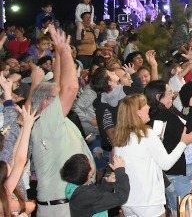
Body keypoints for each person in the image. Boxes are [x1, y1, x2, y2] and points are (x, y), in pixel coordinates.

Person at [29, 26, 95, 217]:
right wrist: (66, 52)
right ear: (45, 102)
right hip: (60, 208)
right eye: (54, 97)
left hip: (68, 204)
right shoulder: (45, 122)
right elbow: (69, 88)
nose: (60, 99)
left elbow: (58, 85)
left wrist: (58, 52)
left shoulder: (51, 120)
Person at [112, 93, 192, 217]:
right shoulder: (146, 134)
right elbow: (166, 164)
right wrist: (183, 143)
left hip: (127, 201)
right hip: (148, 201)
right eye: (145, 105)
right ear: (137, 112)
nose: (148, 107)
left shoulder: (120, 138)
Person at [59, 153, 130, 217]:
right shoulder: (86, 196)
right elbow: (121, 197)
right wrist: (120, 171)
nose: (91, 161)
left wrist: (107, 184)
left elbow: (96, 196)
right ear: (89, 174)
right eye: (89, 162)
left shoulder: (76, 184)